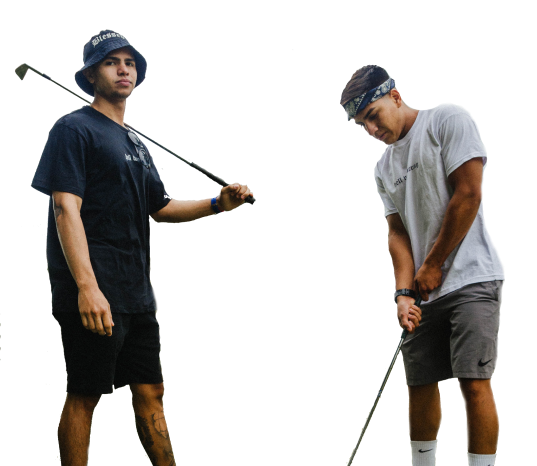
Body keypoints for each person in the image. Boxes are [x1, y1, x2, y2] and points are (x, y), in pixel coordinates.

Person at [31, 30, 254, 466]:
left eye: (129, 62)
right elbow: (64, 209)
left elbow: (161, 208)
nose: (123, 69)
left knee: (152, 389)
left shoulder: (135, 141)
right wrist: (87, 288)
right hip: (93, 289)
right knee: (85, 394)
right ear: (91, 75)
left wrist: (216, 204)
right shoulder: (72, 129)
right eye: (111, 62)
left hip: (136, 291)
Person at [340, 65, 504, 466]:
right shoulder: (383, 168)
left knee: (473, 382)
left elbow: (469, 192)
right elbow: (397, 232)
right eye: (362, 125)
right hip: (422, 291)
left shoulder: (447, 119)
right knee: (419, 383)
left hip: (472, 278)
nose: (371, 129)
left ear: (395, 96)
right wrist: (403, 292)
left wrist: (432, 265)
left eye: (373, 115)